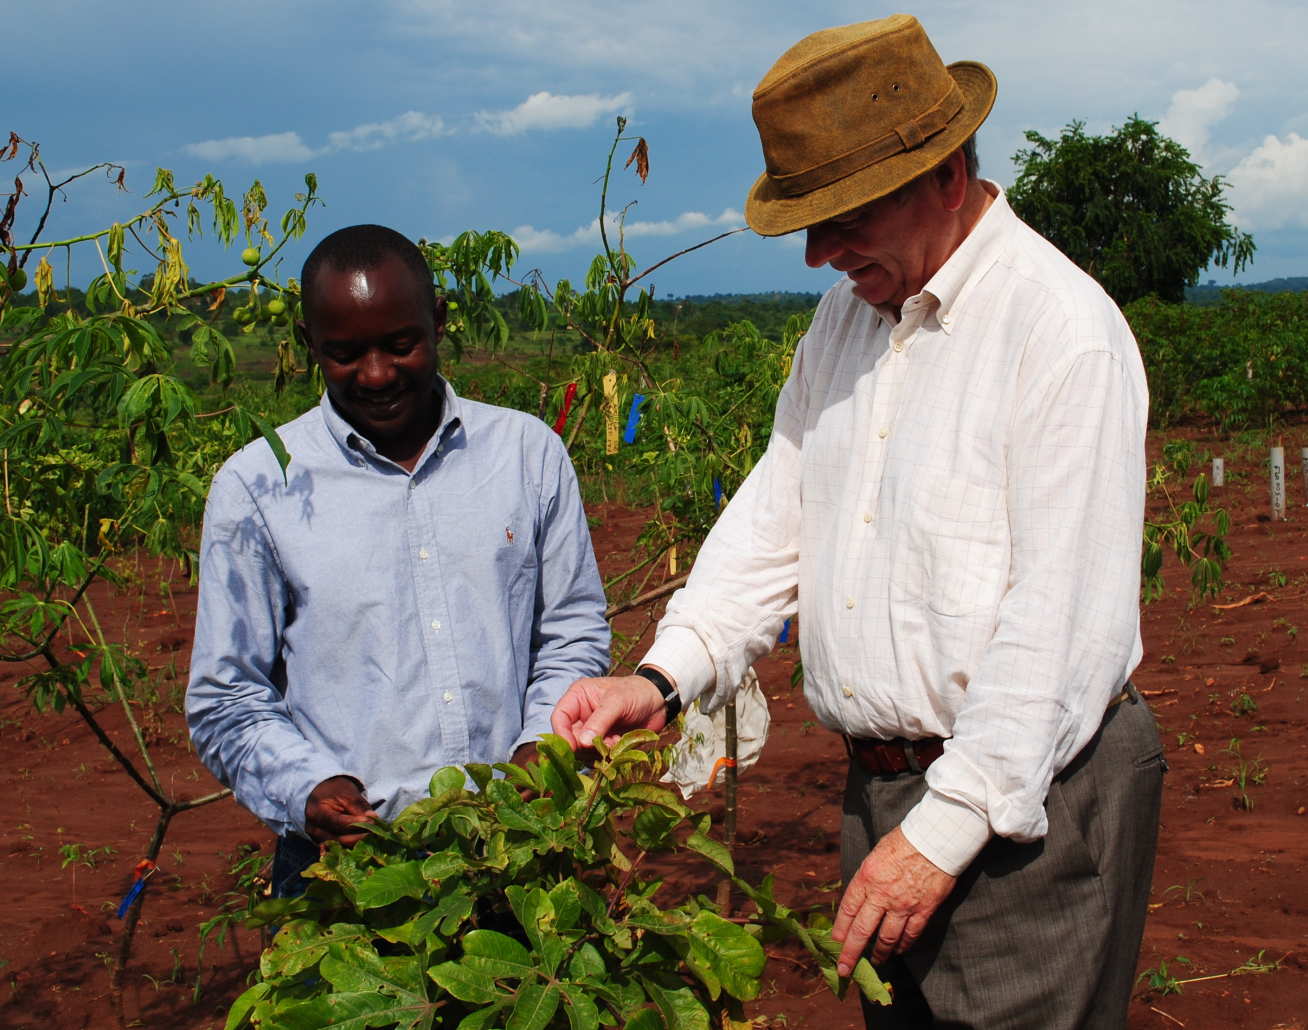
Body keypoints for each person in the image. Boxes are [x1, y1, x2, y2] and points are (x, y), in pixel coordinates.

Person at [551, 16, 1162, 1029]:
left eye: (843, 216)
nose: (817, 255)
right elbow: (776, 516)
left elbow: (1061, 627)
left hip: (1027, 805)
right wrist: (662, 676)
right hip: (885, 791)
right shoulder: (847, 322)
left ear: (946, 178)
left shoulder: (1060, 333)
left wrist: (944, 828)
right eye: (808, 218)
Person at [187, 224, 610, 897]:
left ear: (438, 322)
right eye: (345, 354)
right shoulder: (259, 486)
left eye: (400, 345)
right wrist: (306, 790)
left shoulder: (526, 455)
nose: (377, 374)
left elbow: (572, 631)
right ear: (308, 347)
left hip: (520, 847)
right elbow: (227, 695)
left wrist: (544, 747)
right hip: (346, 867)